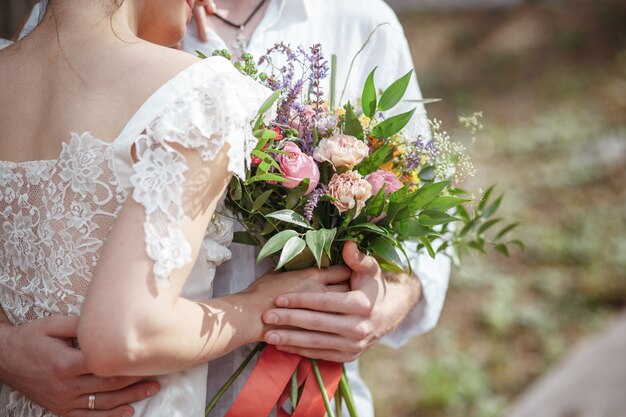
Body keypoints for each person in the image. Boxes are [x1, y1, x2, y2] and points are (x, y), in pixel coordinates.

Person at [0, 1, 450, 417]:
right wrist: (6, 354)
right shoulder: (79, 24)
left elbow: (426, 222)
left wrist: (385, 300)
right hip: (144, 395)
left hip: (305, 398)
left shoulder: (360, 21)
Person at [183, 1, 451, 416]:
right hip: (159, 394)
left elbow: (424, 201)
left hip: (318, 398)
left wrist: (388, 301)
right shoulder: (123, 23)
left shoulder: (359, 19)